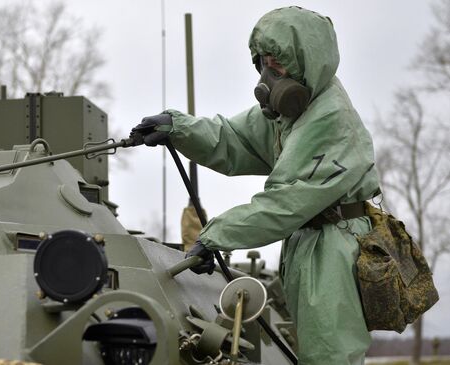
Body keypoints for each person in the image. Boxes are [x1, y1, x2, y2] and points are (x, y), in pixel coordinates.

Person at [131, 6, 379, 365]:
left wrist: (215, 235)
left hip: (332, 245)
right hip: (309, 241)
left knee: (330, 356)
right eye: (261, 62)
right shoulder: (291, 112)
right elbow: (231, 139)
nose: (267, 75)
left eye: (275, 65)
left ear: (306, 62)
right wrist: (178, 127)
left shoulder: (329, 119)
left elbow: (284, 202)